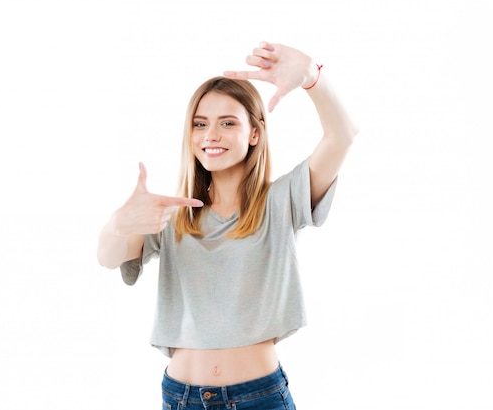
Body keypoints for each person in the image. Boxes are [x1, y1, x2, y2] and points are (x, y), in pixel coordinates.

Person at [97, 41, 358, 410]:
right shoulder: (171, 215)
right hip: (181, 398)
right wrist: (118, 224)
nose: (211, 135)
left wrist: (311, 77)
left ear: (255, 133)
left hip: (259, 398)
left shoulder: (281, 201)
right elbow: (108, 257)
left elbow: (343, 134)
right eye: (200, 124)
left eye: (228, 123)